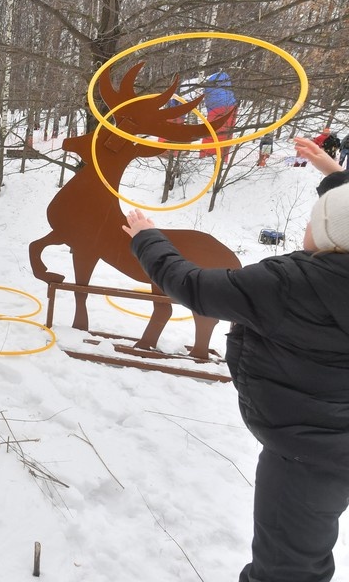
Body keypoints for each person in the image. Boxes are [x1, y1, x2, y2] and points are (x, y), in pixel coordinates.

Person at [121, 136, 349, 582]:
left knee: (288, 569)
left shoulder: (291, 285)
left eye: (312, 222)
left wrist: (147, 239)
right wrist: (334, 177)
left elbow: (192, 286)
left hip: (306, 452)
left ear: (327, 233)